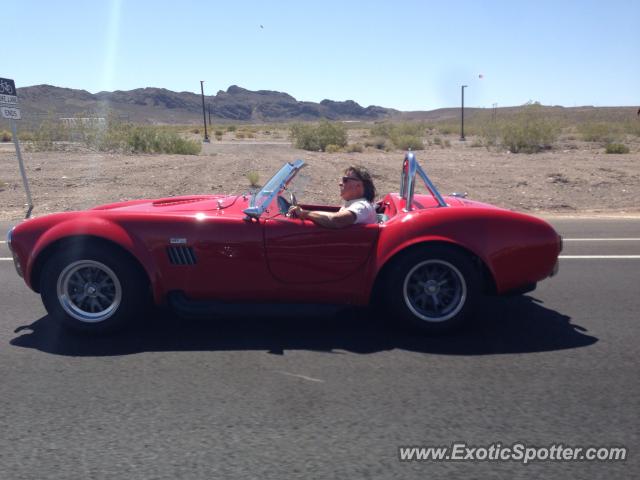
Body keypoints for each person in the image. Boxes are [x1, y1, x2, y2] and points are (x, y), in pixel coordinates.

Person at [288, 165, 377, 228]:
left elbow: (336, 220)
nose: (340, 183)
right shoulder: (355, 204)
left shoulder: (362, 206)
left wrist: (305, 214)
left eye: (345, 180)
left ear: (359, 185)